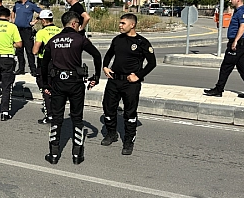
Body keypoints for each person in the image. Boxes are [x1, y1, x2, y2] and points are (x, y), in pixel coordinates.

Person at [40, 11, 102, 164]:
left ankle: (53, 154)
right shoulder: (80, 39)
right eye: (78, 24)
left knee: (57, 118)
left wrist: (45, 84)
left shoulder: (53, 40)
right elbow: (96, 55)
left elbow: (43, 64)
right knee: (77, 118)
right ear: (74, 24)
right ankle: (77, 155)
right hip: (75, 83)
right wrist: (96, 77)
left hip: (58, 83)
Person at [101, 13, 157, 156]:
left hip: (131, 83)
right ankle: (111, 134)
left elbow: (152, 63)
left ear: (132, 25)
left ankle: (128, 140)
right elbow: (108, 55)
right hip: (114, 80)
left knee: (129, 113)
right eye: (120, 23)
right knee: (108, 108)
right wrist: (105, 66)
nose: (120, 25)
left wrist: (138, 75)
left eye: (123, 23)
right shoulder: (117, 40)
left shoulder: (142, 42)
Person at [204, 0, 244, 99]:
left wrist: (235, 41)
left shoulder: (243, 12)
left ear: (238, 0)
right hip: (239, 43)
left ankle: (219, 89)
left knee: (226, 66)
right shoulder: (237, 11)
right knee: (243, 68)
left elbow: (243, 26)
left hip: (239, 43)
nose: (230, 0)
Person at [32, 9, 61, 124]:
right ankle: (57, 113)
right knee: (56, 90)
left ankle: (49, 115)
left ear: (43, 20)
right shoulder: (60, 31)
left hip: (45, 64)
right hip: (59, 64)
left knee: (45, 89)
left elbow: (35, 51)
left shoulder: (41, 32)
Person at [11, 0, 41, 76]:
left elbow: (41, 12)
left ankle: (33, 69)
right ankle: (21, 68)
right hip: (18, 30)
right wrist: (13, 19)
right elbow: (13, 11)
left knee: (29, 51)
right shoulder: (17, 4)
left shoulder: (31, 4)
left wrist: (35, 21)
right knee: (19, 50)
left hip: (27, 30)